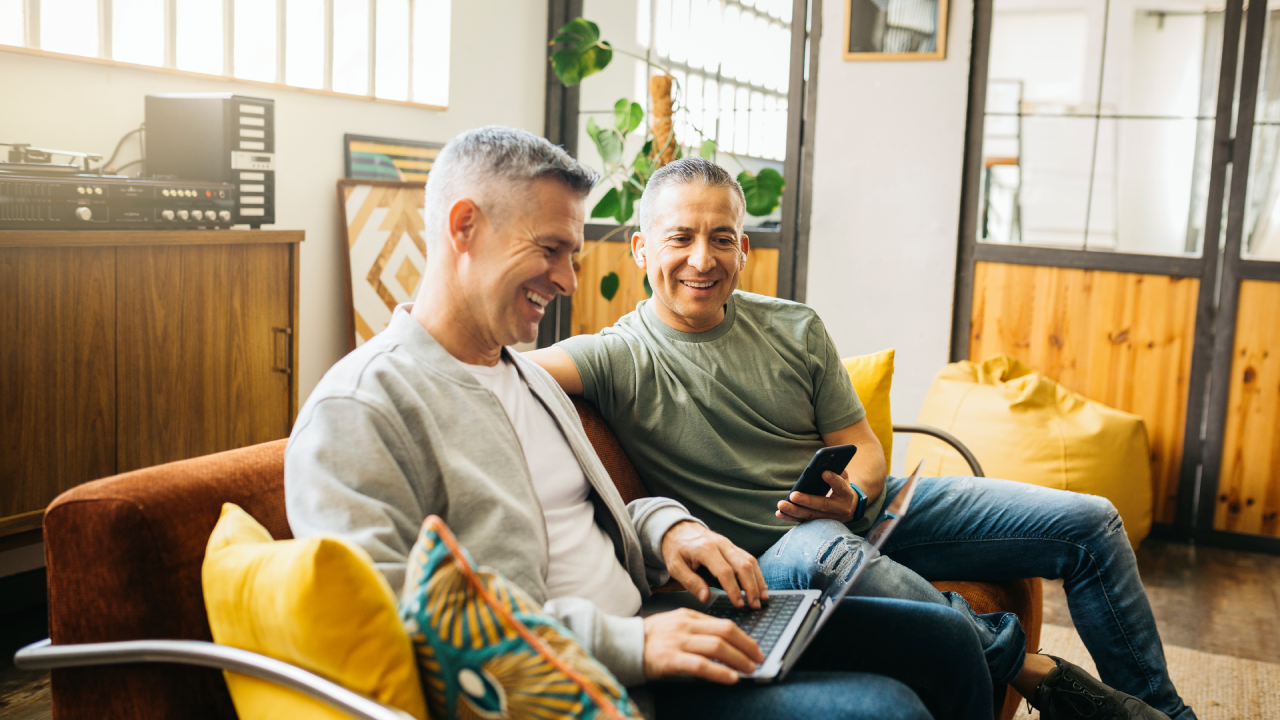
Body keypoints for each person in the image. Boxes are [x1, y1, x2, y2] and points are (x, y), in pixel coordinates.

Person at [285, 126, 994, 720]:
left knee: (947, 642)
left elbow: (596, 511)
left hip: (660, 619)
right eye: (552, 250)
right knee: (883, 709)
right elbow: (406, 620)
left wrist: (669, 527)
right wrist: (636, 648)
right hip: (596, 678)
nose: (567, 281)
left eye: (573, 253)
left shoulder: (526, 377)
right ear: (465, 225)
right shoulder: (362, 411)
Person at [526, 157, 1195, 720]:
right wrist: (420, 319)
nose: (702, 259)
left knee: (1090, 522)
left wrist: (855, 495)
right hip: (782, 553)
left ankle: (1163, 713)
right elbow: (500, 363)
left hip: (864, 509)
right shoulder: (614, 357)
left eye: (721, 238)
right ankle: (1027, 665)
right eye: (679, 239)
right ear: (642, 249)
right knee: (824, 547)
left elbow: (863, 444)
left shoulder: (795, 327)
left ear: (744, 249)